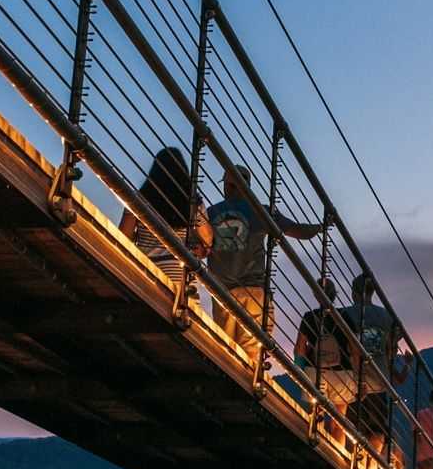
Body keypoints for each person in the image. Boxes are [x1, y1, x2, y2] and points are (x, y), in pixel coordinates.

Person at [207, 164, 323, 362]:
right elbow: (296, 230)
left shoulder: (210, 213)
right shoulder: (262, 211)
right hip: (254, 290)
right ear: (247, 186)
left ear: (228, 186)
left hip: (221, 290)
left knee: (223, 349)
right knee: (252, 353)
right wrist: (320, 227)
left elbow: (199, 247)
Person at [339, 273, 411, 468]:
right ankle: (368, 466)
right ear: (372, 292)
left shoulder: (343, 315)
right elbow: (393, 344)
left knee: (353, 426)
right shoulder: (386, 317)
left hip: (352, 381)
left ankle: (355, 461)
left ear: (353, 291)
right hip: (378, 381)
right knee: (378, 430)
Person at [119, 147, 212, 287]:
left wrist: (136, 237)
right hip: (180, 275)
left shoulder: (139, 199)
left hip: (145, 272)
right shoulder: (192, 202)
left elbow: (123, 235)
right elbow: (207, 239)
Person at [295, 279, 354, 439]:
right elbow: (354, 350)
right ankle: (335, 460)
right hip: (342, 373)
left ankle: (315, 446)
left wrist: (299, 369)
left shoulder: (309, 316)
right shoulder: (345, 317)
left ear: (316, 294)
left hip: (315, 370)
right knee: (339, 424)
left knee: (315, 415)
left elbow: (300, 349)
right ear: (335, 294)